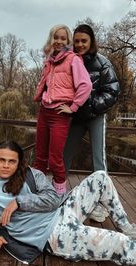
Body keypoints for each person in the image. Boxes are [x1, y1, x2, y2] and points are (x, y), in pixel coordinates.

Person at [0, 141, 136, 266]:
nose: (6, 165)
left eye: (12, 161)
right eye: (2, 160)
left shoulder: (31, 174)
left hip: (62, 211)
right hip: (55, 236)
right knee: (118, 244)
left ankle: (126, 226)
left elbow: (53, 198)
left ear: (19, 163)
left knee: (100, 177)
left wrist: (20, 202)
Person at [63, 24, 120, 222]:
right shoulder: (68, 61)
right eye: (76, 41)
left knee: (99, 160)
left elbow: (112, 91)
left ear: (91, 41)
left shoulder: (103, 63)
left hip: (96, 115)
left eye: (83, 41)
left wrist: (92, 107)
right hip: (75, 116)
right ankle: (57, 195)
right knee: (64, 155)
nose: (79, 44)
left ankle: (98, 203)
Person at [33, 24, 92, 195]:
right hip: (44, 111)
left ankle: (59, 194)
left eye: (63, 38)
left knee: (55, 158)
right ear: (51, 39)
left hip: (59, 114)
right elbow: (46, 85)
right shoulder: (49, 61)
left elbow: (85, 85)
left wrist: (73, 107)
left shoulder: (73, 59)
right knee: (40, 157)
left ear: (68, 41)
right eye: (56, 37)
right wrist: (41, 97)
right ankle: (38, 190)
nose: (59, 41)